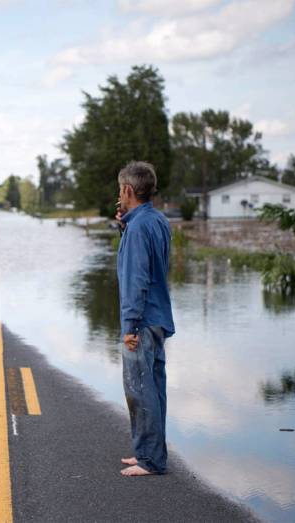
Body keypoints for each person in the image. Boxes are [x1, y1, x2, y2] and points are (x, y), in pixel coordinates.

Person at [114, 161, 175, 477]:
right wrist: (124, 226)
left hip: (142, 321)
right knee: (153, 386)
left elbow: (137, 279)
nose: (118, 196)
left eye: (120, 190)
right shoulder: (156, 220)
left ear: (127, 190)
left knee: (140, 389)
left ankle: (150, 461)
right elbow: (155, 264)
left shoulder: (138, 228)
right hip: (158, 318)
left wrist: (129, 326)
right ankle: (148, 453)